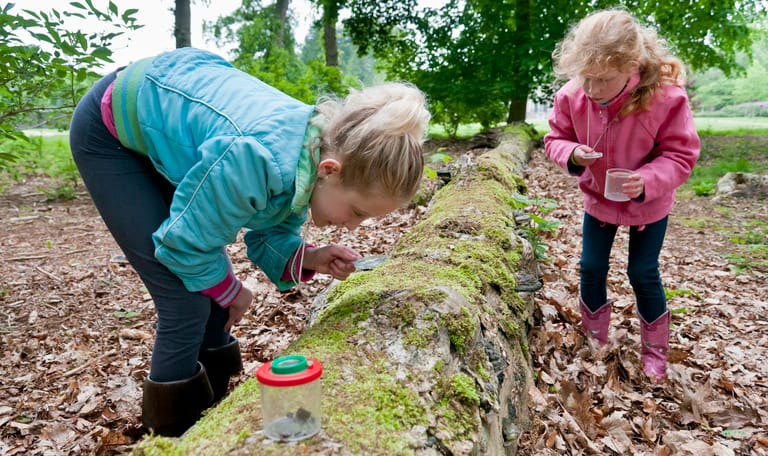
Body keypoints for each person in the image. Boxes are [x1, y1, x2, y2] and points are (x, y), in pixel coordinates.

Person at [69, 47, 430, 436]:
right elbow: (184, 245)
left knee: (206, 292)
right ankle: (172, 438)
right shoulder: (258, 159)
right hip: (111, 124)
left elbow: (269, 231)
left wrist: (311, 257)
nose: (354, 226)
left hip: (170, 121)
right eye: (357, 211)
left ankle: (211, 413)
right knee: (184, 300)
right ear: (330, 170)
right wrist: (231, 290)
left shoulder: (309, 154)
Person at [544, 9, 700, 382]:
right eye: (586, 77)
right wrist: (572, 154)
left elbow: (681, 155)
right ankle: (594, 340)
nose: (592, 88)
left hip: (648, 204)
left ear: (632, 67)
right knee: (591, 267)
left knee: (642, 272)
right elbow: (554, 139)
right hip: (599, 199)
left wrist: (647, 180)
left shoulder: (666, 98)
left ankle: (655, 352)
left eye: (603, 79)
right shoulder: (572, 95)